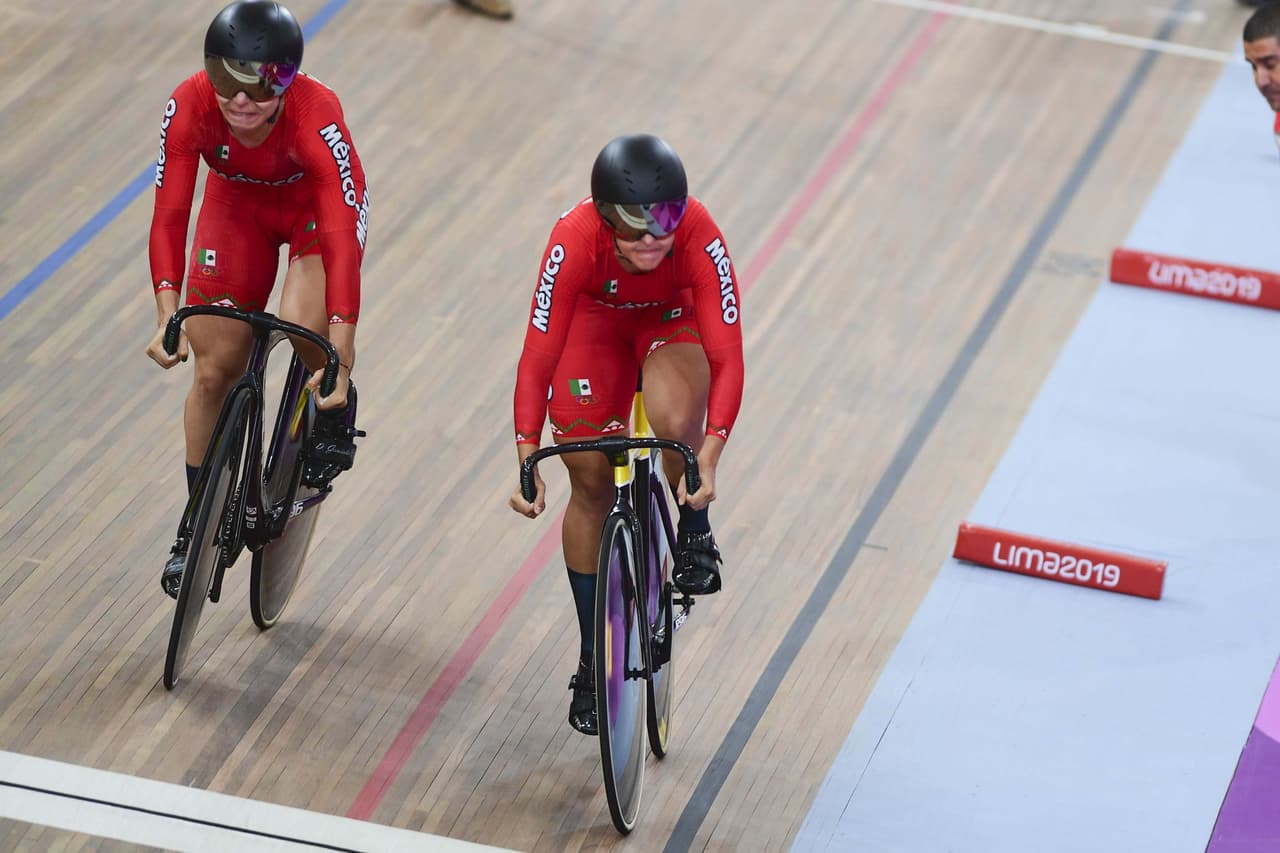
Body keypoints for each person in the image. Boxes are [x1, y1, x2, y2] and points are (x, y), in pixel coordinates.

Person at [509, 134, 745, 734]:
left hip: (673, 316)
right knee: (589, 479)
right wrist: (527, 454)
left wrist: (709, 453)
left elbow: (728, 357)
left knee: (672, 421)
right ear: (604, 216)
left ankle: (693, 528)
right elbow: (538, 354)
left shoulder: (699, 235)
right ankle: (593, 656)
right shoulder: (574, 239)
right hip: (596, 323)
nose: (650, 237)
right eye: (633, 224)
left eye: (664, 219)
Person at [145, 0, 369, 598]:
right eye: (227, 81)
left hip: (314, 218)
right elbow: (170, 214)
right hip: (237, 206)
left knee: (305, 324)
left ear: (289, 77)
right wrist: (168, 311)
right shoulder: (190, 102)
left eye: (262, 85)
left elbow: (343, 242)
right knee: (214, 368)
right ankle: (198, 526)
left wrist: (338, 354)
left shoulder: (315, 119)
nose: (241, 100)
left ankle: (334, 407)